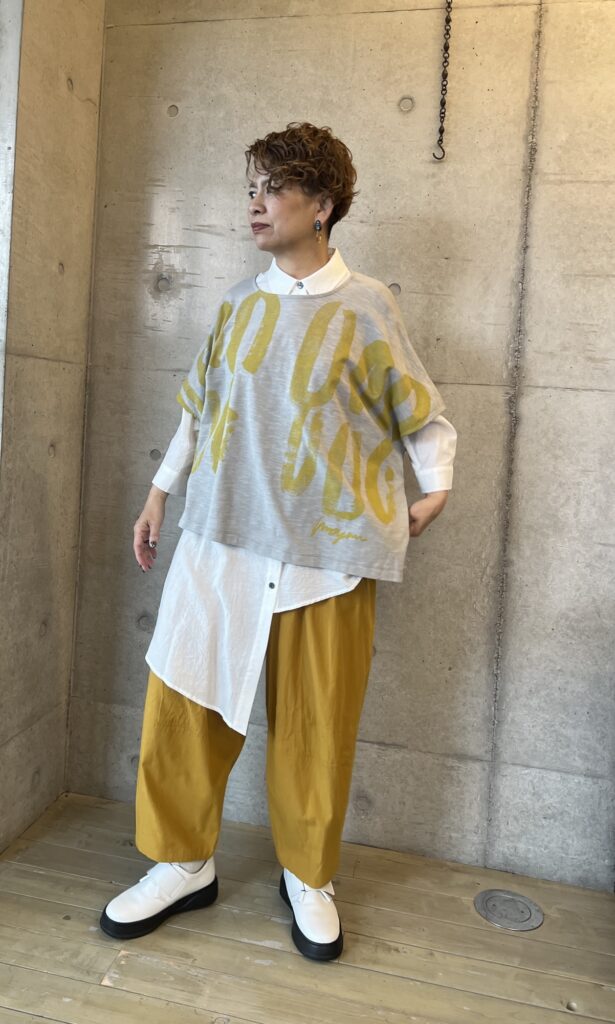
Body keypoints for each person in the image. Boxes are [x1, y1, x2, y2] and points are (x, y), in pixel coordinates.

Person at [99, 122, 457, 962]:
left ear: (322, 203)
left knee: (315, 721)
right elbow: (200, 409)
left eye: (273, 188)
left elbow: (420, 412)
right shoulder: (237, 304)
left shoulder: (367, 305)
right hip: (222, 535)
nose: (254, 204)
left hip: (325, 552)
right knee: (183, 701)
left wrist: (435, 484)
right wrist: (159, 491)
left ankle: (308, 874)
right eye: (250, 188)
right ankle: (182, 863)